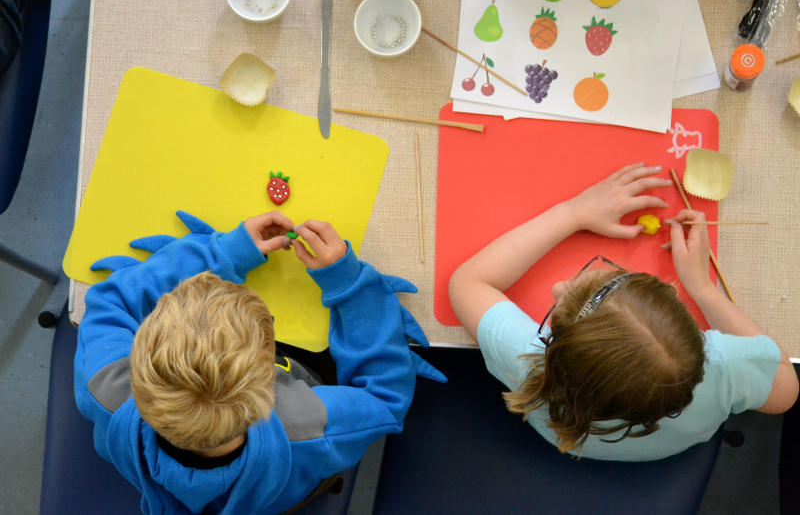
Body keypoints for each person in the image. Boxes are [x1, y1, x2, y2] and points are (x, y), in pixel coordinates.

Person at [74, 210, 444, 514]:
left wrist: (225, 254)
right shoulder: (309, 425)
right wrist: (350, 286)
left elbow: (111, 299)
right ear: (270, 369)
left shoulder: (105, 386)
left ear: (139, 352)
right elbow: (385, 398)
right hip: (284, 484)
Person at [449, 162, 798, 461]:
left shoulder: (530, 365)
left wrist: (573, 212)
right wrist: (704, 289)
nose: (557, 288)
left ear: (558, 357)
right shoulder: (722, 366)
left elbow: (467, 283)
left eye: (558, 313)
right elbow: (786, 391)